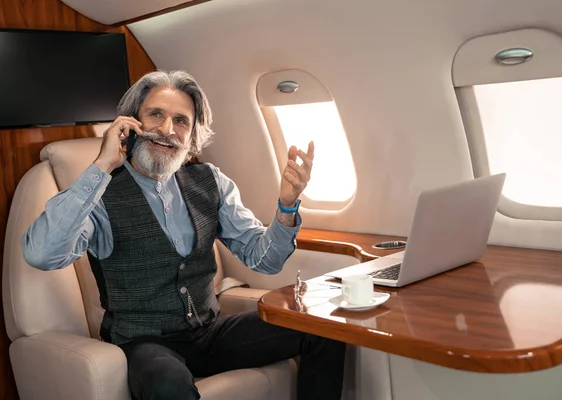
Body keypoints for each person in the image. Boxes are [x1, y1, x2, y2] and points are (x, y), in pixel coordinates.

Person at [22, 70, 346, 400]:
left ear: (191, 136)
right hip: (144, 343)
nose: (167, 130)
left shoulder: (210, 181)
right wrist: (102, 165)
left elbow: (264, 259)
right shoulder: (101, 194)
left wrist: (287, 206)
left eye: (181, 121)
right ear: (132, 123)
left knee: (320, 327)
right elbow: (42, 254)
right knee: (168, 383)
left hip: (209, 332)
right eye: (156, 115)